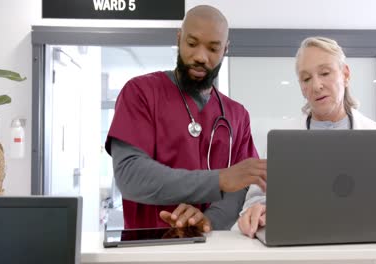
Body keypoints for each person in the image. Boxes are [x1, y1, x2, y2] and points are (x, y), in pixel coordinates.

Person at [105, 5, 267, 232]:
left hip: (213, 246)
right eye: (192, 44)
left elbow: (245, 184)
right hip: (147, 246)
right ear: (179, 38)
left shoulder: (237, 115)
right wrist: (219, 180)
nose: (201, 56)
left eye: (213, 48)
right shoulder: (141, 92)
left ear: (225, 50)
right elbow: (130, 175)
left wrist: (207, 222)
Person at [237, 36, 376, 238]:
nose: (316, 85)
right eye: (306, 78)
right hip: (299, 249)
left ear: (345, 74)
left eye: (325, 73)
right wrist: (256, 211)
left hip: (362, 248)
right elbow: (256, 199)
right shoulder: (282, 141)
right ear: (302, 87)